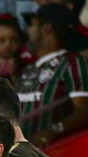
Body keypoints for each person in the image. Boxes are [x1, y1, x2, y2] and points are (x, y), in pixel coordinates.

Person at [17, 3, 88, 147]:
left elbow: (84, 111)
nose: (27, 31)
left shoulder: (73, 63)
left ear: (47, 28)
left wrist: (54, 130)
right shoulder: (28, 69)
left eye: (31, 25)